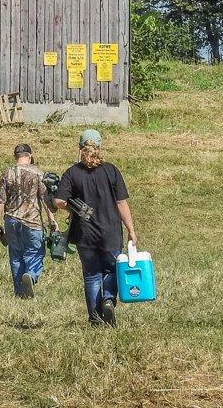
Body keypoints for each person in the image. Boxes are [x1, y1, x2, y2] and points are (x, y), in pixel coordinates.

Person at [54, 128, 137, 326]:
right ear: (99, 147)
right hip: (110, 232)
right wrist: (131, 230)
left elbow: (58, 201)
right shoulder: (111, 170)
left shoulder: (72, 172)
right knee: (112, 269)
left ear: (79, 147)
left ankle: (95, 318)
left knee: (91, 275)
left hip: (85, 235)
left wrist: (73, 207)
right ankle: (108, 299)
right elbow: (121, 203)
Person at [0, 143, 59, 299]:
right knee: (35, 253)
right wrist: (52, 221)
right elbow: (45, 200)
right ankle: (31, 275)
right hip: (32, 222)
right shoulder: (38, 173)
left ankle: (20, 292)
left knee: (16, 256)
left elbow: (0, 201)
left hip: (11, 221)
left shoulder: (7, 173)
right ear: (29, 156)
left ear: (16, 157)